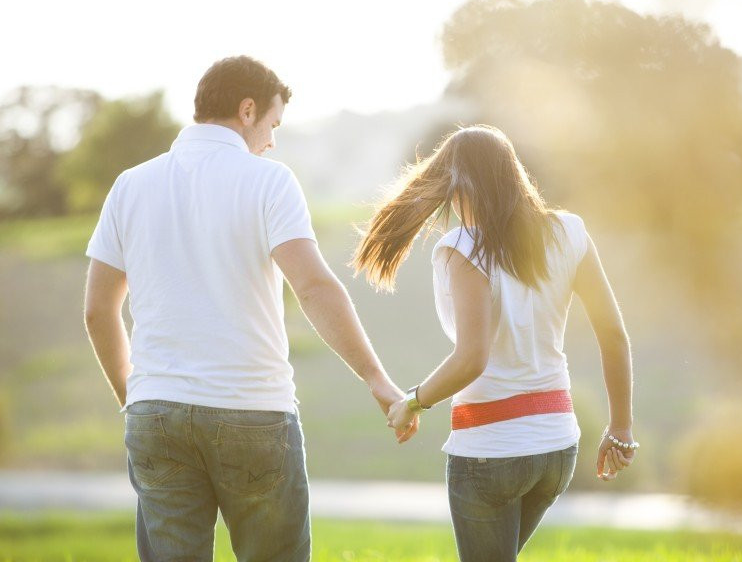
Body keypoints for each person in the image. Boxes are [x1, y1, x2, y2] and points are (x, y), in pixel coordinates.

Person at [82, 55, 415, 561]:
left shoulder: (130, 185)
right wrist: (377, 379)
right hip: (252, 412)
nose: (272, 141)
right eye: (273, 124)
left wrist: (136, 397)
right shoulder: (268, 181)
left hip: (156, 413)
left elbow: (98, 310)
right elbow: (312, 287)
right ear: (247, 110)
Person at [352, 124, 634, 562]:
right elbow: (614, 336)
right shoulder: (569, 232)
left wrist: (412, 402)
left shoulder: (463, 246)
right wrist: (620, 429)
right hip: (557, 449)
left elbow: (471, 359)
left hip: (490, 453)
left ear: (458, 185)